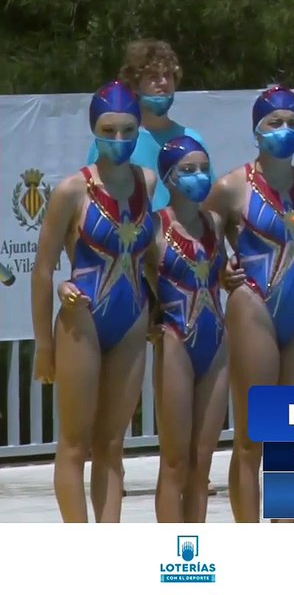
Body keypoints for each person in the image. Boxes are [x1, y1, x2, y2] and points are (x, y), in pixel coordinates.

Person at [31, 81, 157, 522]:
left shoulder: (147, 181)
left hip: (132, 318)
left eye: (128, 131)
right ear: (93, 130)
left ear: (139, 130)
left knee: (112, 445)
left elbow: (152, 256)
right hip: (81, 318)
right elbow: (43, 269)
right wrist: (43, 346)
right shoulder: (73, 190)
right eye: (108, 130)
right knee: (74, 444)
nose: (119, 139)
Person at [204, 85, 294, 523]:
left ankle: (285, 533)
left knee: (293, 433)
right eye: (275, 123)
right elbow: (198, 241)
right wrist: (222, 271)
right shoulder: (231, 187)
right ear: (257, 130)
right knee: (253, 438)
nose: (285, 130)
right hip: (253, 306)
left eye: (293, 123)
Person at [149, 136, 229, 523]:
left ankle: (194, 549)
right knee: (175, 462)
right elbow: (133, 277)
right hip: (175, 340)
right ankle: (173, 552)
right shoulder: (155, 227)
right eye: (188, 170)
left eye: (203, 168)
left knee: (202, 462)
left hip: (216, 343)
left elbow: (220, 274)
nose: (199, 176)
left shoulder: (215, 223)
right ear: (169, 177)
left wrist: (233, 276)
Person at [86, 40, 210, 208]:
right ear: (134, 85)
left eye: (168, 75)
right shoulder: (116, 140)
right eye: (153, 77)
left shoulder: (192, 140)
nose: (163, 83)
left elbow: (207, 203)